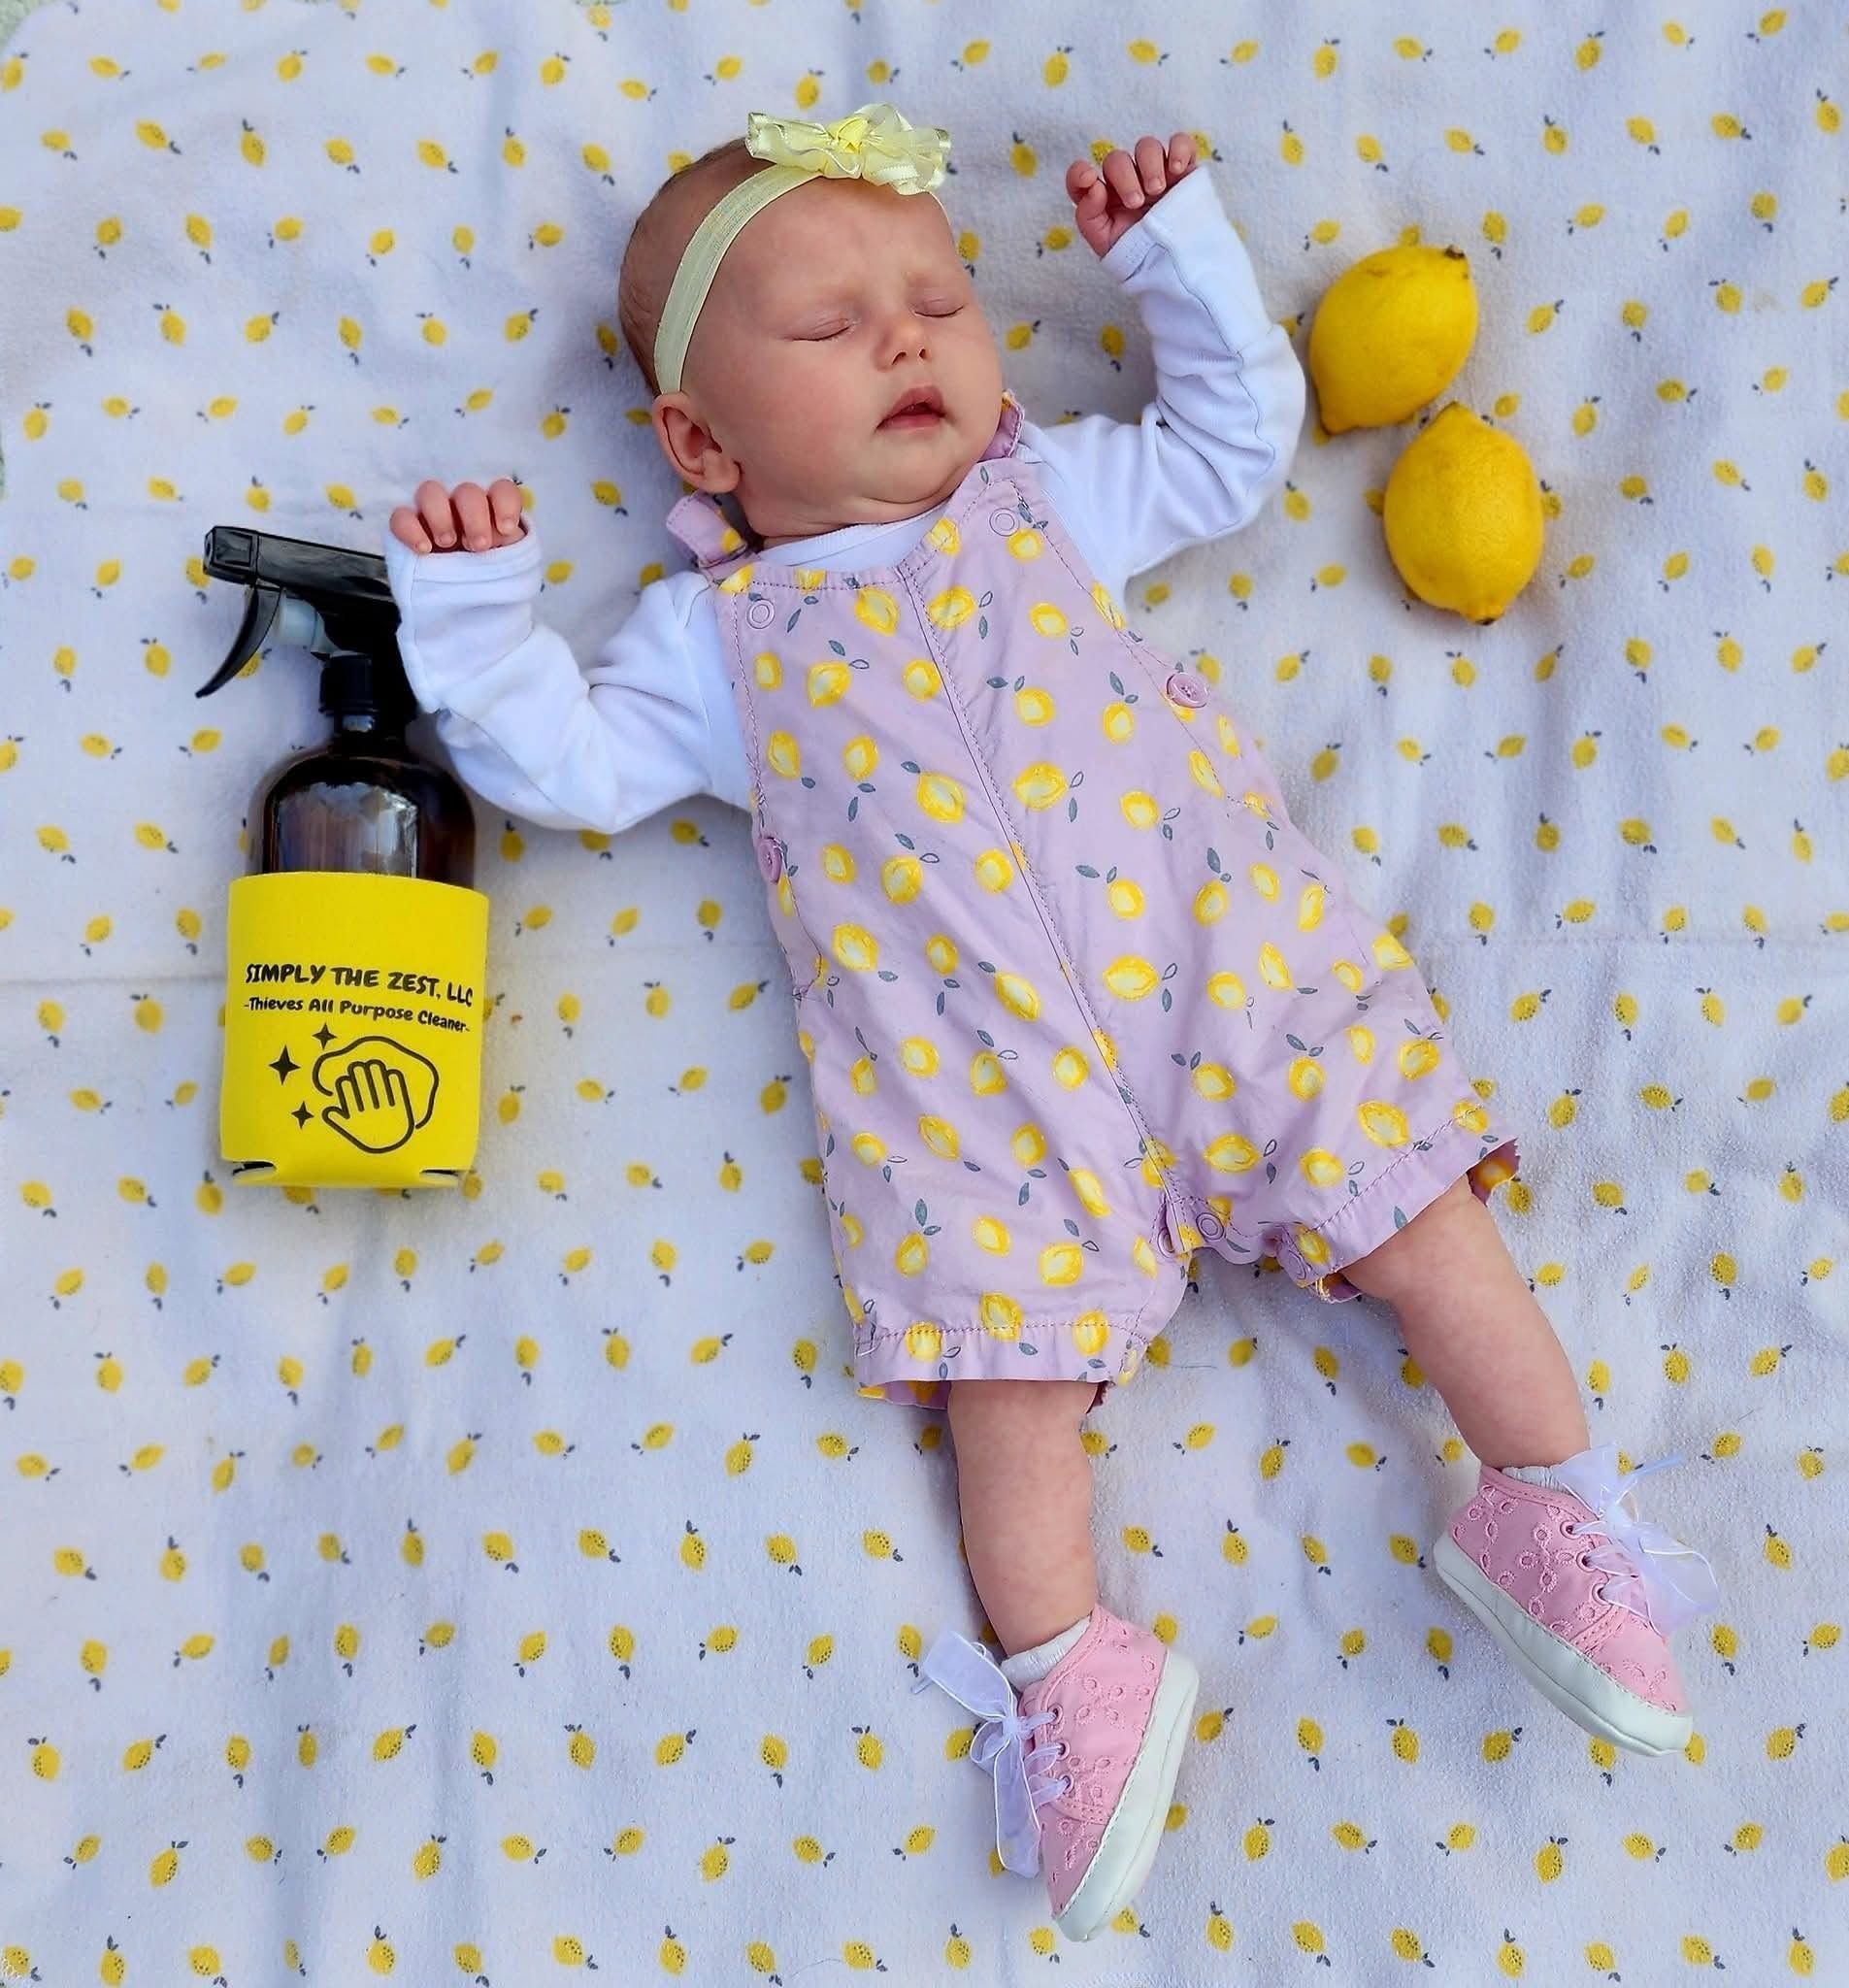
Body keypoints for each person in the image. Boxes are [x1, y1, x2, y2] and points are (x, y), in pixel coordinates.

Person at [384, 103, 1716, 1942]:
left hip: (1233, 981)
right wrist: (468, 617)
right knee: (1001, 1384)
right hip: (973, 1094)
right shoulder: (708, 648)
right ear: (699, 439)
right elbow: (567, 771)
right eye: (831, 324)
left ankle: (1549, 1501)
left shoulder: (1052, 502)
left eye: (936, 300)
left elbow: (1230, 447)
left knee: (1423, 1215)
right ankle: (1069, 1667)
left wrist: (1172, 259)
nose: (908, 339)